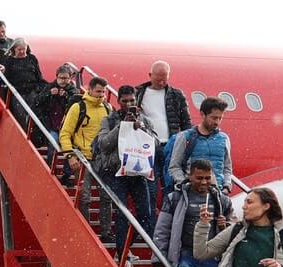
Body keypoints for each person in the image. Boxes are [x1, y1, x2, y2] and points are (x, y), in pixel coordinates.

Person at [92, 85, 158, 253]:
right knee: (122, 213)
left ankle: (126, 248)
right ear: (118, 101)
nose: (128, 104)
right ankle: (122, 255)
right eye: (125, 101)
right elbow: (104, 145)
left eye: (132, 100)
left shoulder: (145, 120)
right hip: (115, 172)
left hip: (137, 172)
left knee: (145, 214)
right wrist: (122, 126)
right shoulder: (109, 120)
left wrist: (142, 128)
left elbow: (156, 144)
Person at [59, 76, 112, 242]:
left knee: (106, 197)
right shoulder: (78, 107)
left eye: (103, 92)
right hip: (83, 157)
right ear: (89, 90)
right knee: (84, 197)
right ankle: (86, 232)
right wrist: (70, 155)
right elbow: (65, 133)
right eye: (98, 92)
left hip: (103, 159)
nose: (101, 95)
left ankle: (106, 233)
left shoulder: (107, 108)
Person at [136, 60, 191, 201]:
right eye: (159, 79)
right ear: (150, 75)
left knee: (170, 185)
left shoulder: (176, 95)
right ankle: (152, 220)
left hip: (170, 145)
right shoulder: (139, 94)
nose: (162, 83)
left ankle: (169, 218)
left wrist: (187, 144)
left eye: (164, 79)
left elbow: (186, 122)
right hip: (148, 146)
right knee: (151, 187)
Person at [168, 96, 234, 189]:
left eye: (220, 118)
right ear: (203, 114)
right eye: (214, 118)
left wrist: (227, 186)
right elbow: (174, 166)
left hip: (217, 192)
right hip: (192, 192)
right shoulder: (185, 137)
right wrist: (184, 184)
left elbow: (227, 168)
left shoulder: (224, 138)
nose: (217, 122)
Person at [0, 39, 46, 128]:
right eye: (19, 49)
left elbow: (38, 74)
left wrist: (43, 86)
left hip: (32, 90)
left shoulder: (32, 58)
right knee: (20, 115)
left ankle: (34, 136)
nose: (22, 52)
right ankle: (24, 133)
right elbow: (6, 78)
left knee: (35, 114)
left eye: (24, 49)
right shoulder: (9, 61)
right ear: (14, 49)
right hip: (17, 92)